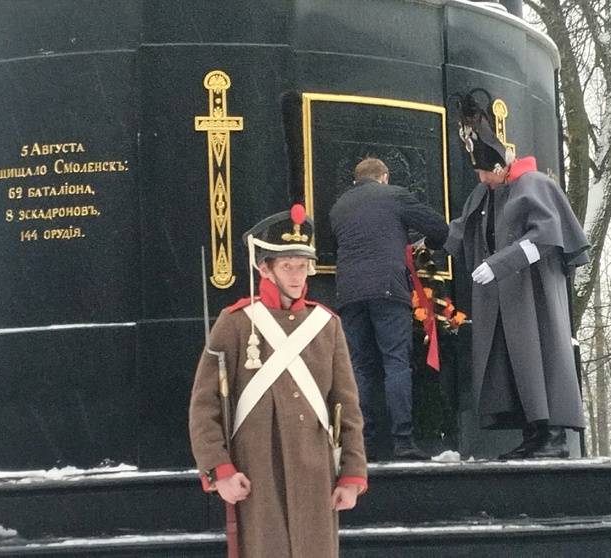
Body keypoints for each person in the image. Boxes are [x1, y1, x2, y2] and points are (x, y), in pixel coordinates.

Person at [189, 204, 367, 557]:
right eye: (287, 266)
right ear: (264, 268)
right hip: (257, 467)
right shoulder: (235, 322)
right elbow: (204, 406)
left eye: (302, 266)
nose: (297, 275)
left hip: (315, 471)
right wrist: (220, 469)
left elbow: (346, 407)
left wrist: (351, 475)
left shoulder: (326, 325)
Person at [444, 89, 590, 459]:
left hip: (533, 292)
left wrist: (498, 265)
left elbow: (545, 237)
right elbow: (462, 228)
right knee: (515, 362)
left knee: (541, 354)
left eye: (482, 171)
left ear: (497, 167)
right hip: (505, 296)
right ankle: (534, 432)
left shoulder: (534, 185)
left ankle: (554, 436)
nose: (480, 178)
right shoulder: (489, 192)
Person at [329, 157, 449, 460]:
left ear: (356, 179)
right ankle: (403, 441)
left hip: (349, 293)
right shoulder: (394, 195)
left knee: (360, 367)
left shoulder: (339, 206)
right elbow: (439, 228)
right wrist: (427, 244)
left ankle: (362, 443)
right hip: (388, 288)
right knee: (396, 362)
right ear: (383, 177)